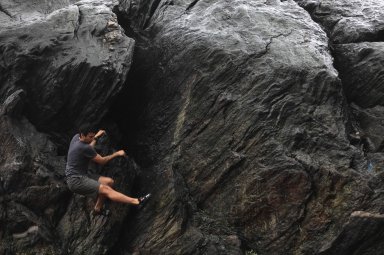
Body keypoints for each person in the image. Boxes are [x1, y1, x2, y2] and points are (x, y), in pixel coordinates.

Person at [65, 124, 150, 215]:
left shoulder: (76, 138)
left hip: (81, 175)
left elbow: (88, 148)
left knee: (109, 182)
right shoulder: (83, 147)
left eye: (93, 136)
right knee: (106, 189)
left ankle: (97, 209)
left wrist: (96, 137)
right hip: (76, 181)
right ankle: (136, 201)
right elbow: (102, 161)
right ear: (82, 135)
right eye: (90, 137)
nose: (92, 138)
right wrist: (117, 154)